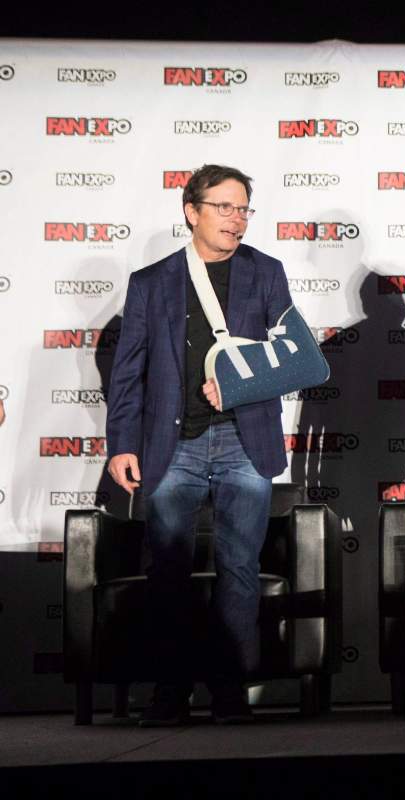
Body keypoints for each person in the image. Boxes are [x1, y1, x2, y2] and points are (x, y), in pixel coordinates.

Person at [106, 164, 292, 726]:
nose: (237, 220)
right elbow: (128, 372)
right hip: (171, 447)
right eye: (225, 208)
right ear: (192, 211)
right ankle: (169, 693)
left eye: (244, 209)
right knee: (167, 572)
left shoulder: (266, 272)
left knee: (239, 567)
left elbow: (292, 357)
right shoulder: (152, 281)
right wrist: (121, 443)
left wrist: (240, 382)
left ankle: (231, 693)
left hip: (245, 441)